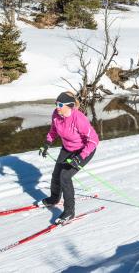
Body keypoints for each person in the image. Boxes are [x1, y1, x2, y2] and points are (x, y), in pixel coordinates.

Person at [38, 92, 99, 224]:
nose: (57, 107)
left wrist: (80, 157)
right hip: (67, 149)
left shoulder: (79, 118)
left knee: (65, 176)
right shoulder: (56, 114)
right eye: (56, 104)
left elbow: (94, 140)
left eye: (60, 105)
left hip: (84, 150)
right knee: (56, 174)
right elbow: (53, 131)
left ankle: (69, 212)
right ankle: (54, 199)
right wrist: (47, 144)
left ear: (69, 106)